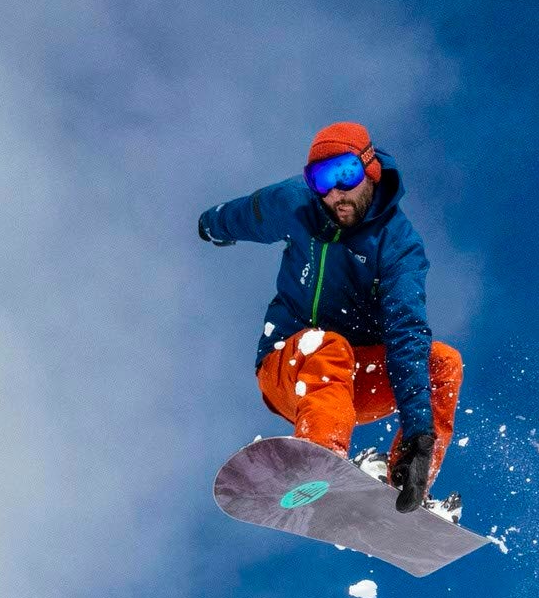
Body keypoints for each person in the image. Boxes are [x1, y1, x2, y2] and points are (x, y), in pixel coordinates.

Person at [198, 122, 463, 514]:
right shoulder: (296, 204)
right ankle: (319, 460)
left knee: (443, 363)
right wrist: (209, 225)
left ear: (369, 169)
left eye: (345, 175)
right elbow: (246, 213)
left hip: (350, 382)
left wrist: (419, 432)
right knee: (327, 346)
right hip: (290, 367)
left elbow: (406, 332)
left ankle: (407, 482)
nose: (335, 193)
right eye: (321, 181)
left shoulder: (399, 247)